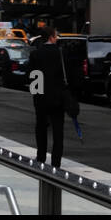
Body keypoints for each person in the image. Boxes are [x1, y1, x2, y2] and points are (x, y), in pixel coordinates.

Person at [27, 27, 70, 169]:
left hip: (41, 97)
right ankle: (56, 161)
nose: (57, 38)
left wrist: (36, 96)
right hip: (58, 98)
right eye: (56, 36)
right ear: (51, 37)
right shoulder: (61, 54)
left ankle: (41, 157)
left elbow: (33, 77)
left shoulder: (36, 54)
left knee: (41, 127)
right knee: (58, 130)